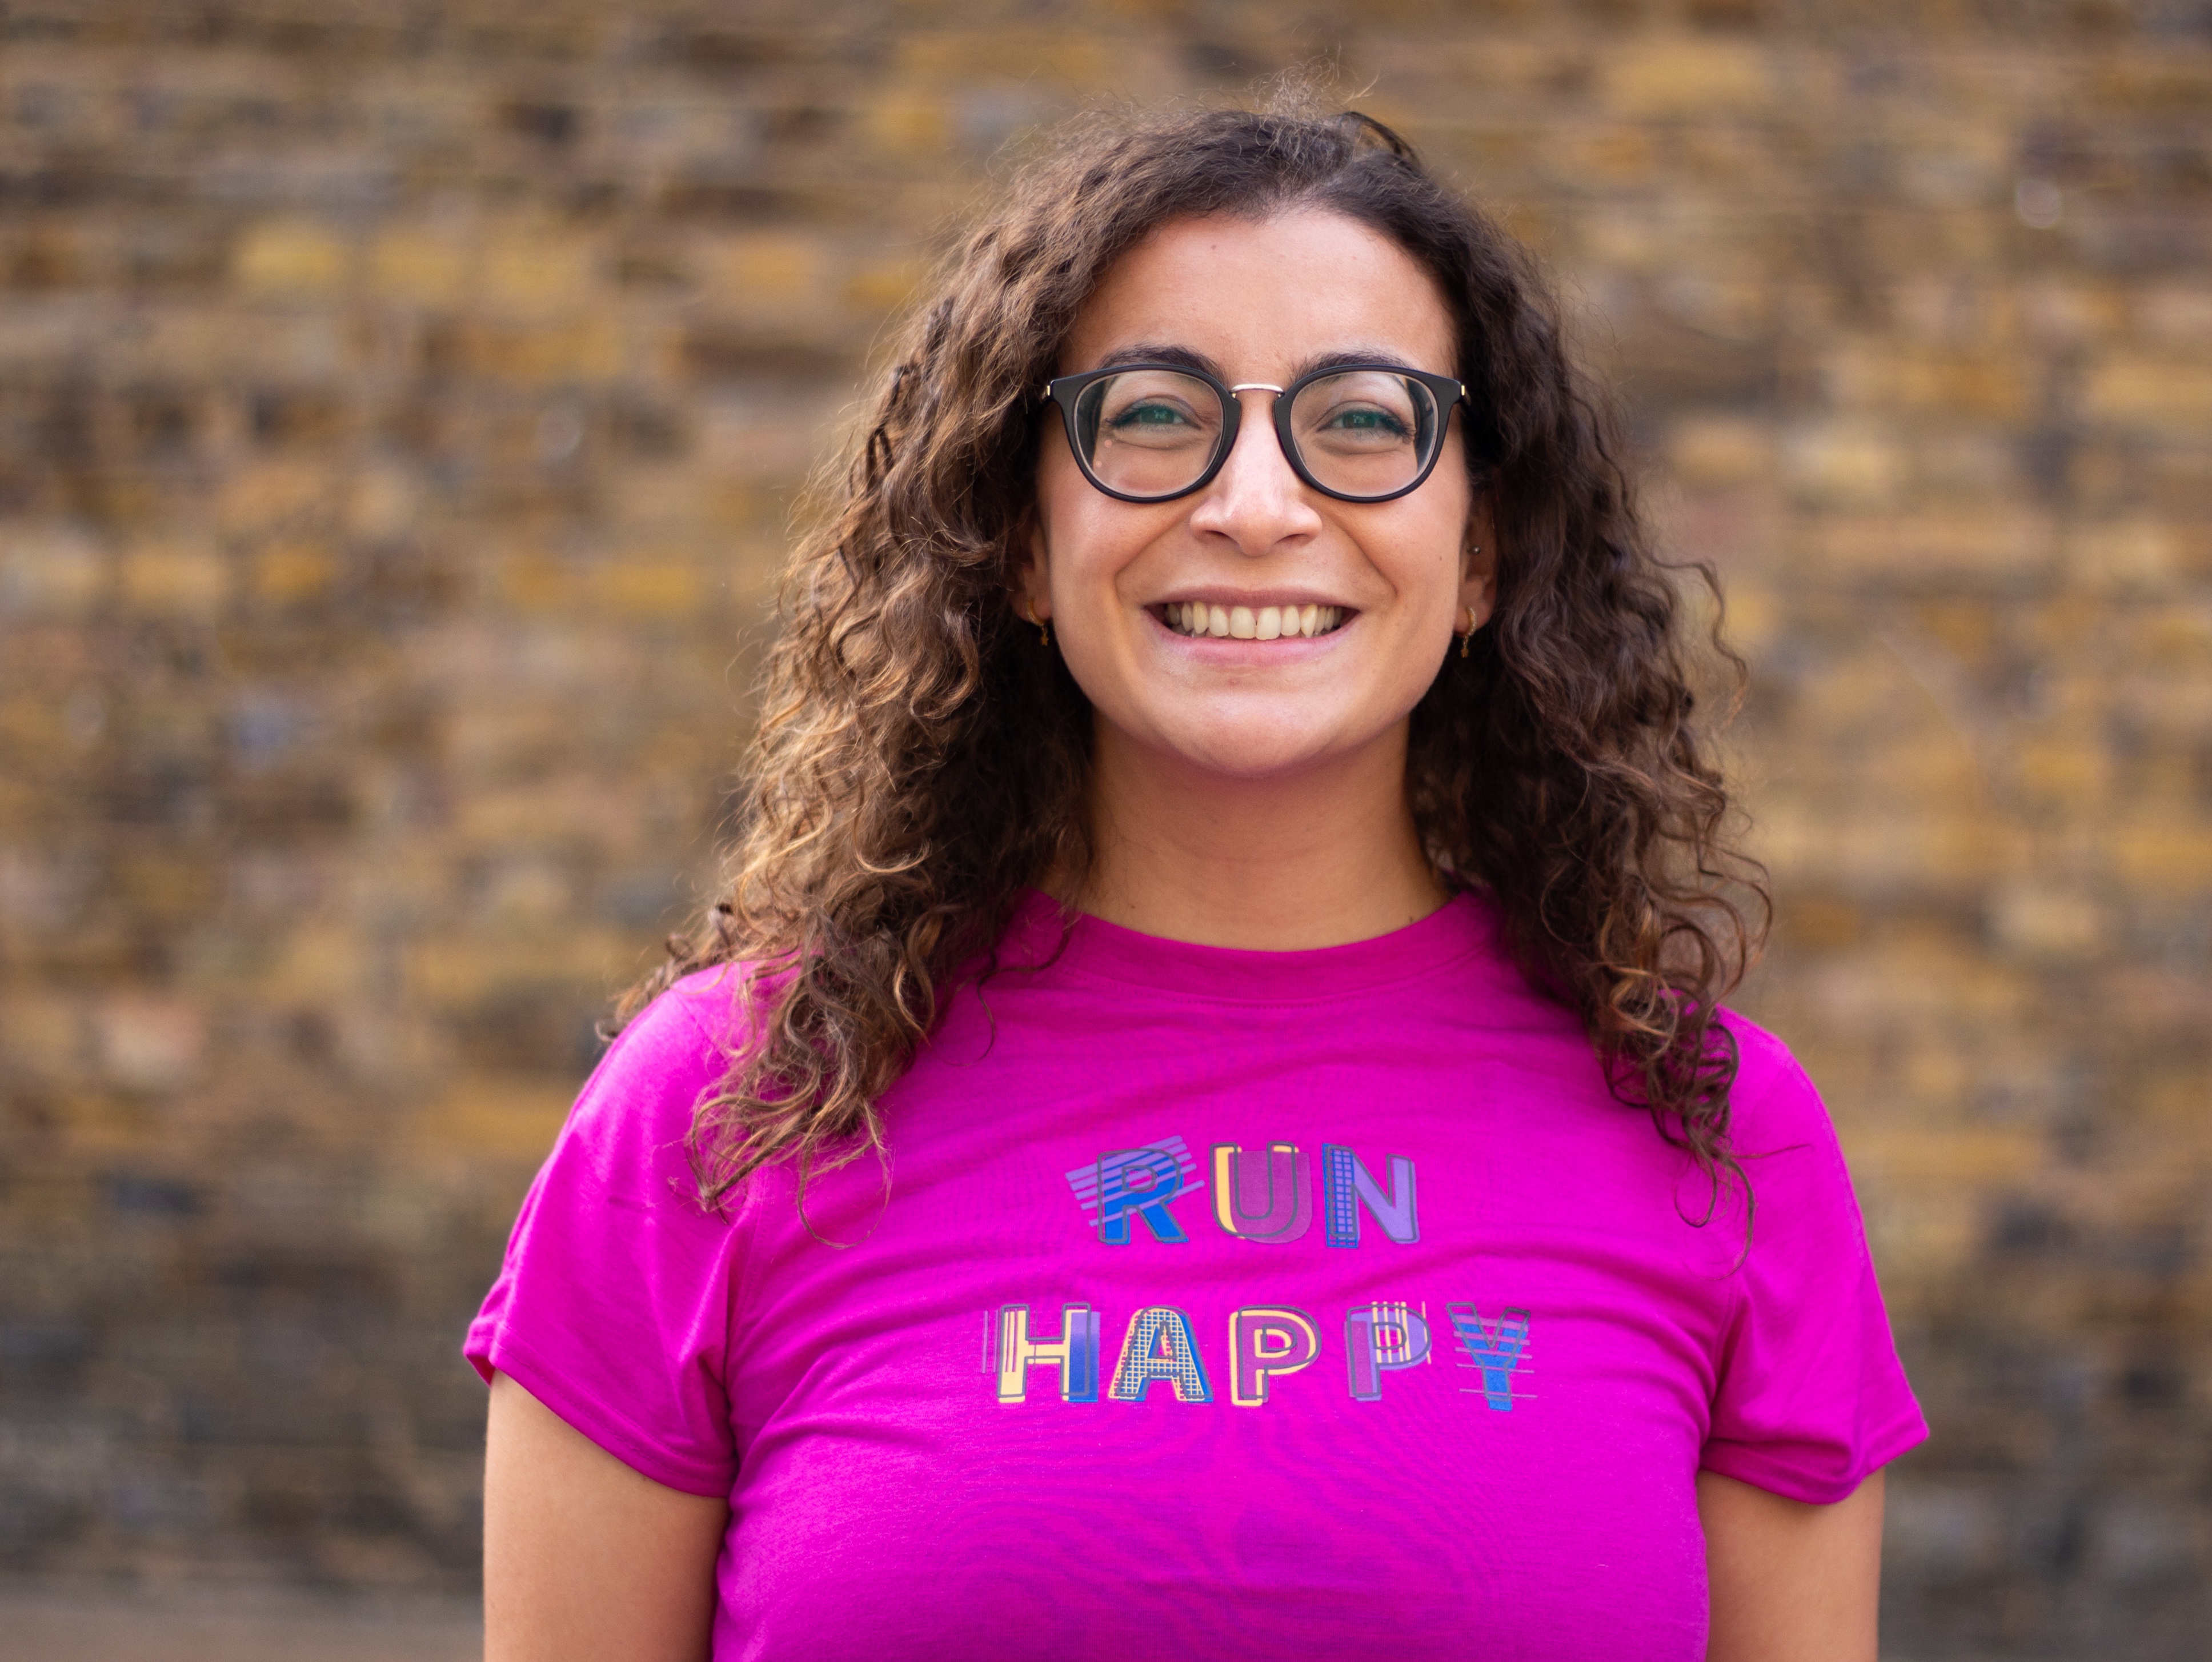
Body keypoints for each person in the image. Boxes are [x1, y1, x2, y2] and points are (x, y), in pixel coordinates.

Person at [471, 98, 1925, 1662]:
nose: (1252, 505)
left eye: (1364, 421)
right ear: (1022, 542)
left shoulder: (1713, 1132)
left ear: (1484, 552)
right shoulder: (726, 1102)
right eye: (1152, 416)